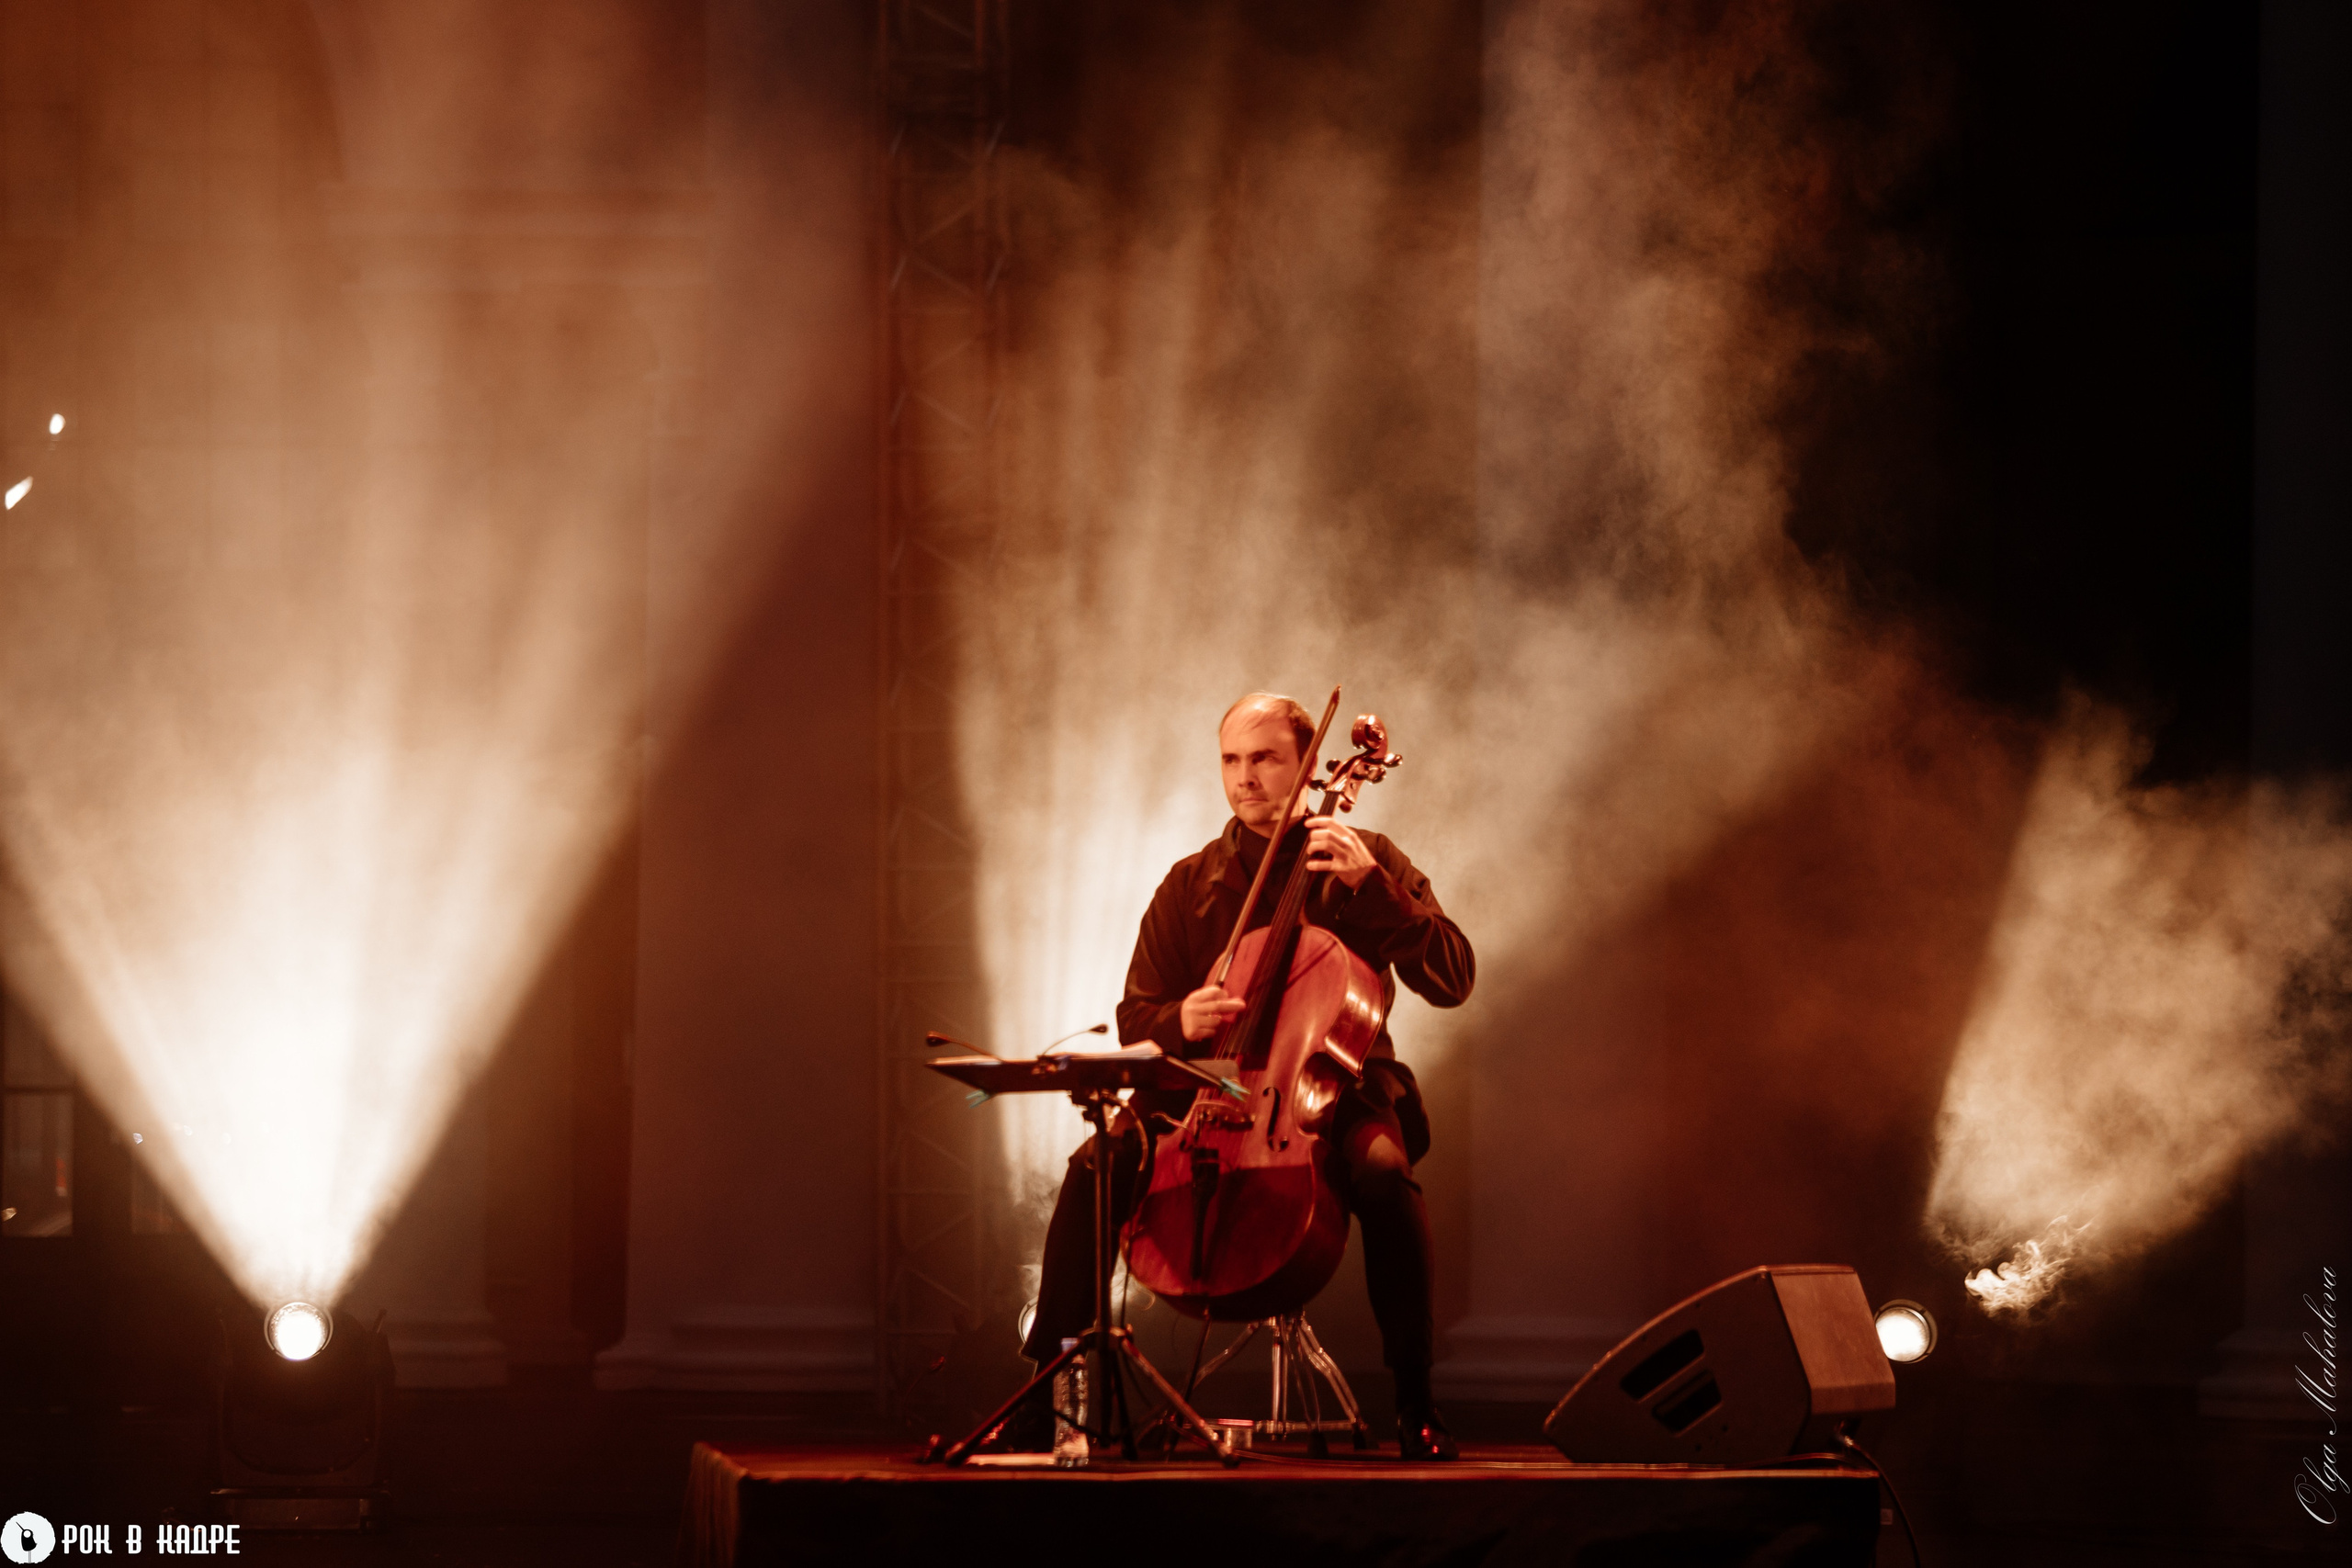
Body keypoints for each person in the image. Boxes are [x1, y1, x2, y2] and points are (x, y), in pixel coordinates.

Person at [1020, 692, 1476, 1459]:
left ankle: (1416, 1399)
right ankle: (1044, 1395)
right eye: (1231, 760)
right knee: (1096, 1165)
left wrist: (1375, 891)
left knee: (1387, 1174)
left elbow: (1454, 975)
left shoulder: (1368, 861)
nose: (1245, 777)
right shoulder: (1190, 882)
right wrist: (1180, 1022)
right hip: (1208, 1090)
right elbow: (1137, 1015)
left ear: (1306, 767)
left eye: (1264, 758)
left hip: (1336, 1092)